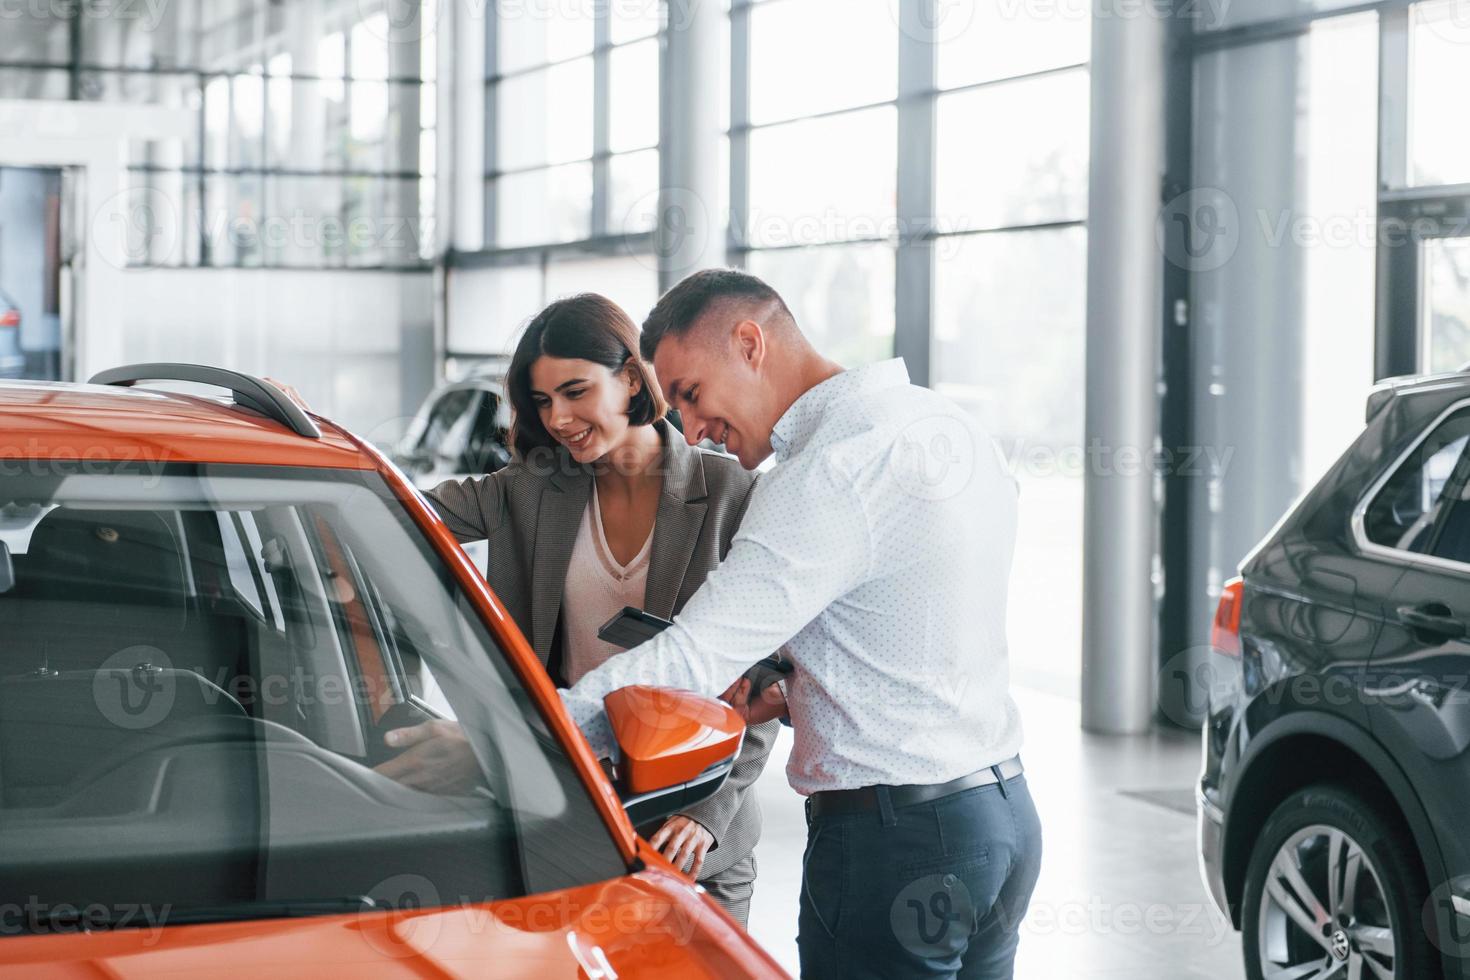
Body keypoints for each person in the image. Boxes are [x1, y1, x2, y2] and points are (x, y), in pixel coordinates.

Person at [557, 270, 1042, 979]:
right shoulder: (945, 426)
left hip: (897, 844)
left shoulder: (828, 474)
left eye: (690, 394)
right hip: (1000, 824)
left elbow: (693, 655)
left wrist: (539, 738)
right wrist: (799, 693)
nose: (692, 430)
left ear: (749, 343)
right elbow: (918, 619)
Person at [396, 293, 779, 924]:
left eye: (575, 391)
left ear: (631, 377)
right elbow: (402, 510)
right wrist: (302, 425)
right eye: (543, 401)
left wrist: (704, 815)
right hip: (565, 812)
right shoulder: (530, 488)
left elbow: (763, 679)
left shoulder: (733, 497)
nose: (559, 418)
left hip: (693, 835)